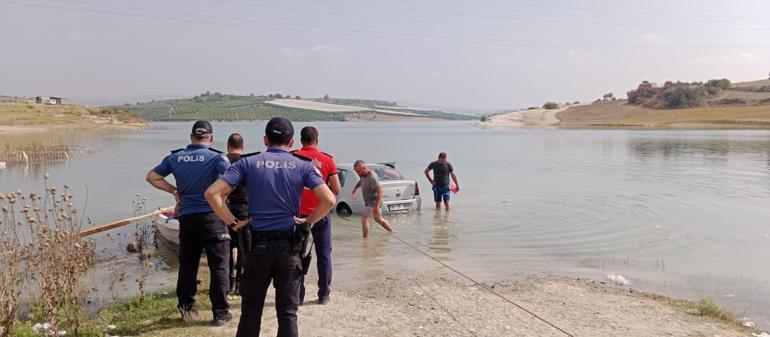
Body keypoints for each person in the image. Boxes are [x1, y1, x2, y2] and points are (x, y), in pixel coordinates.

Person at [205, 117, 335, 337]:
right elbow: (329, 200)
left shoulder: (248, 163)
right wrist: (308, 221)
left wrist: (233, 223)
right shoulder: (303, 166)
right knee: (287, 313)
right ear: (292, 141)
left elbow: (211, 193)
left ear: (265, 139)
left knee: (251, 311)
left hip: (257, 248)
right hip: (289, 248)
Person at [145, 120, 232, 326]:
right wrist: (221, 196)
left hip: (187, 218)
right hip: (212, 218)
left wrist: (174, 191)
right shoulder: (216, 157)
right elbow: (234, 178)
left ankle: (186, 308)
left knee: (187, 264)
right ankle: (220, 313)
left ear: (191, 137)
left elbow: (152, 177)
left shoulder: (175, 157)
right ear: (210, 138)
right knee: (219, 265)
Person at [293, 126, 341, 305]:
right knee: (324, 253)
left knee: (296, 253)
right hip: (321, 213)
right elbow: (336, 189)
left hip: (298, 214)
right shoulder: (327, 160)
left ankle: (298, 294)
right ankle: (324, 294)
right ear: (317, 140)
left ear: (300, 140)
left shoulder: (292, 157)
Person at [226, 133, 248, 295]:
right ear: (243, 146)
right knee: (243, 248)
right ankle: (240, 284)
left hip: (225, 208)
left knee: (227, 246)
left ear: (228, 146)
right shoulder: (247, 163)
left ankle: (228, 283)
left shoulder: (221, 161)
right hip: (244, 209)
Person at [351, 160, 393, 238]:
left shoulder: (372, 177)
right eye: (356, 172)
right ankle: (391, 232)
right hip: (370, 203)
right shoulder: (363, 175)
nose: (358, 173)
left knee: (364, 218)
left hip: (374, 202)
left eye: (359, 172)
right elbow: (361, 181)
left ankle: (365, 240)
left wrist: (376, 206)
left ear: (364, 168)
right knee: (379, 220)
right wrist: (355, 189)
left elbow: (380, 191)